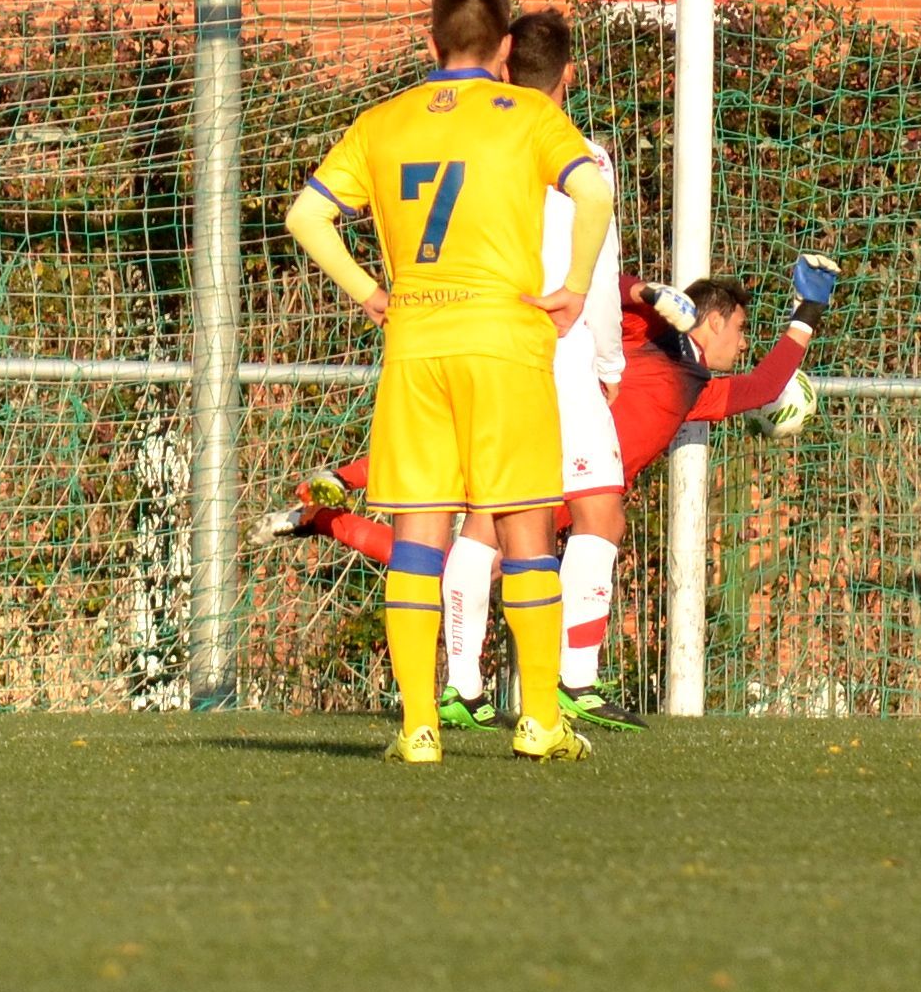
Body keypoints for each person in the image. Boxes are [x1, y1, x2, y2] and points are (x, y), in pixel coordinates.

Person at [265, 258, 839, 730]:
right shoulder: (657, 337)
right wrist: (647, 292)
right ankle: (344, 482)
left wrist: (807, 311)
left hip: (572, 486)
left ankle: (326, 522)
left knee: (447, 564)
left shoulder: (696, 390)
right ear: (714, 320)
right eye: (740, 330)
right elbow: (604, 293)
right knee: (458, 499)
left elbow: (765, 386)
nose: (742, 344)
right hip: (550, 455)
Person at [284, 0, 615, 765]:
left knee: (420, 535)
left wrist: (370, 292)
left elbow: (306, 215)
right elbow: (592, 190)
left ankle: (419, 727)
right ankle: (539, 720)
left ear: (429, 43)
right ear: (505, 49)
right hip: (505, 341)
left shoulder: (383, 121)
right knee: (528, 531)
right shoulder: (531, 114)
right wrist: (571, 286)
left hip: (419, 342)